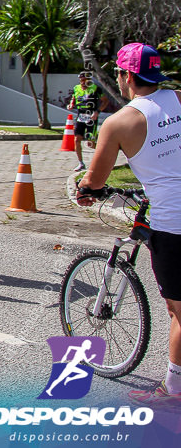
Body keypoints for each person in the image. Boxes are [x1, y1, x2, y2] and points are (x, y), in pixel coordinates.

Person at [77, 43, 181, 406]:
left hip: (174, 222)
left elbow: (94, 178)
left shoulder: (120, 122)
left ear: (126, 77)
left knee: (179, 310)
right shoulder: (179, 98)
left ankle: (174, 389)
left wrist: (87, 192)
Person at [68, 71, 110, 171]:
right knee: (77, 140)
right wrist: (71, 105)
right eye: (81, 80)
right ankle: (81, 163)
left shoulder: (95, 88)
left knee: (90, 143)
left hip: (91, 117)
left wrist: (97, 112)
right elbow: (73, 99)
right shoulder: (76, 88)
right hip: (80, 116)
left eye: (84, 80)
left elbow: (105, 101)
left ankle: (105, 156)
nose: (82, 82)